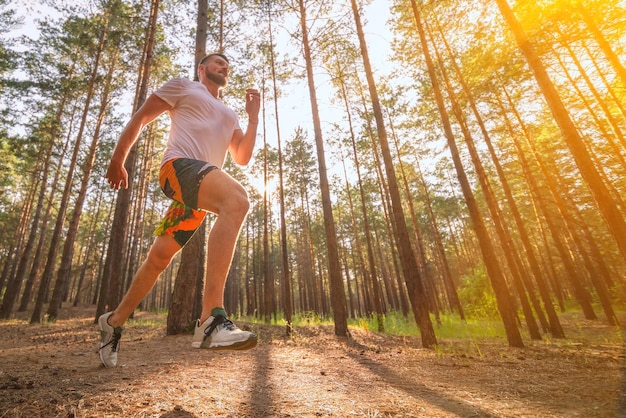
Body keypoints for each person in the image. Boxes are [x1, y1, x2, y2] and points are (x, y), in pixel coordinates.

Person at [98, 53, 260, 368]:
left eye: (226, 64)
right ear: (201, 69)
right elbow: (142, 118)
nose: (223, 66)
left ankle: (113, 321)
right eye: (216, 62)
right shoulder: (183, 87)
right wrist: (118, 159)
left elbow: (241, 156)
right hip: (178, 168)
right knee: (237, 200)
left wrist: (253, 118)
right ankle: (211, 320)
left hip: (196, 189)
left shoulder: (229, 113)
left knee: (159, 258)